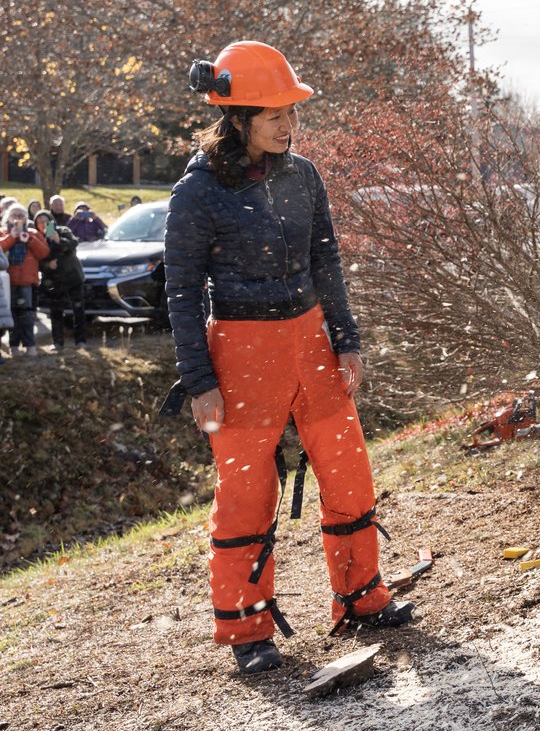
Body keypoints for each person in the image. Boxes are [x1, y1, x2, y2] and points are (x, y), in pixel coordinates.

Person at [166, 40, 414, 676]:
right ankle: (246, 630)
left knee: (349, 471)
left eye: (291, 113)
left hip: (311, 342)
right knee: (248, 493)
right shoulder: (197, 192)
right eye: (274, 114)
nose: (288, 124)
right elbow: (182, 292)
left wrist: (347, 337)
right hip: (241, 356)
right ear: (237, 117)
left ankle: (361, 597)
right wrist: (199, 381)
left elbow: (327, 260)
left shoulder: (302, 175)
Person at [2, 203, 50, 358]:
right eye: (14, 215)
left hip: (27, 281)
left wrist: (29, 239)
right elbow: (1, 248)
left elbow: (43, 252)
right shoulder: (3, 232)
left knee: (27, 316)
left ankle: (30, 346)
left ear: (26, 218)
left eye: (20, 215)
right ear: (8, 217)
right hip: (7, 283)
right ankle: (14, 346)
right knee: (11, 316)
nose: (17, 218)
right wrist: (12, 237)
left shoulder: (33, 232)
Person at [33, 210, 85, 350]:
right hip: (53, 281)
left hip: (72, 277)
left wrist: (58, 240)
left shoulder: (62, 230)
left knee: (78, 309)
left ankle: (80, 341)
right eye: (40, 222)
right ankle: (58, 342)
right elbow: (36, 261)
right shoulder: (36, 237)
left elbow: (73, 244)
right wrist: (47, 265)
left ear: (52, 221)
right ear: (36, 224)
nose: (44, 224)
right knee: (56, 312)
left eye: (46, 221)